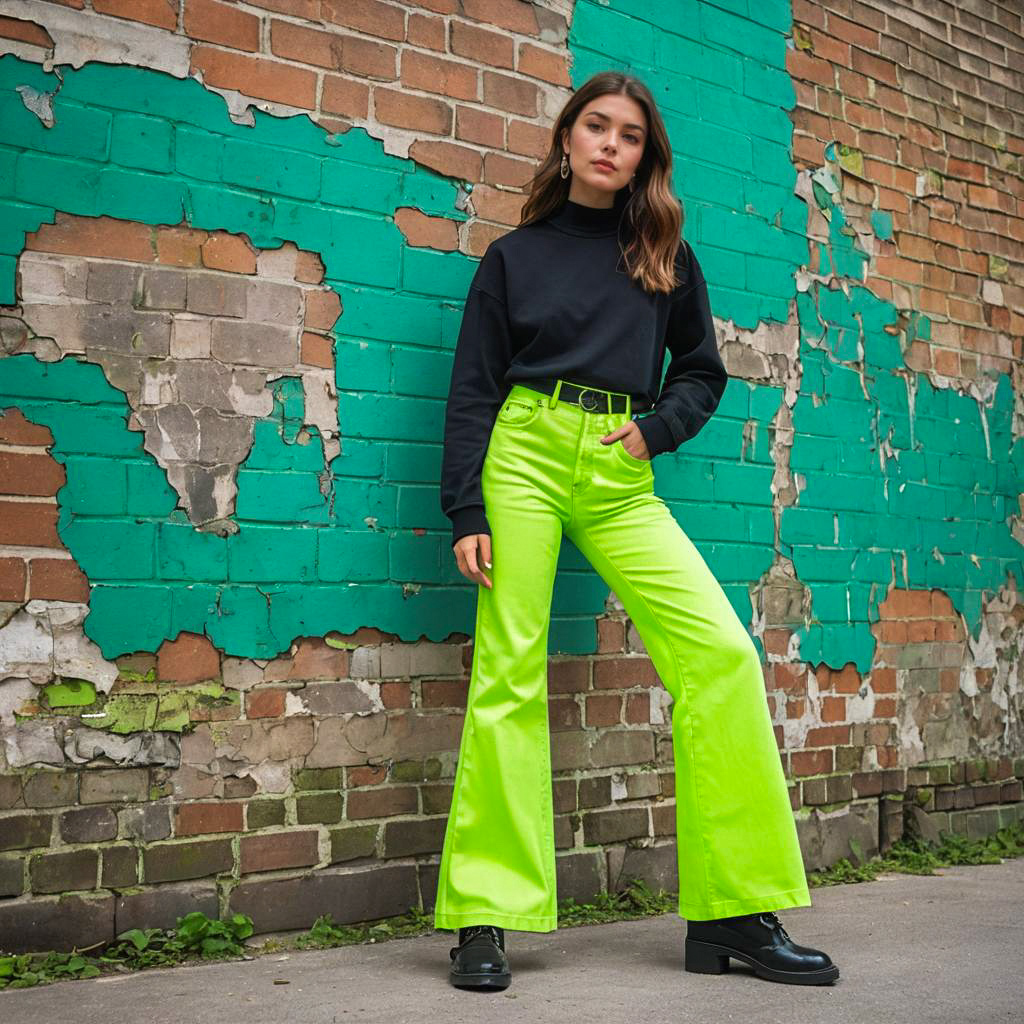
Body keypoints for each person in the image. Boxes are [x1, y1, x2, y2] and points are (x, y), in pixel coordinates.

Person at [435, 70, 839, 991]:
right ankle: (484, 916)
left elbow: (702, 373)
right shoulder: (512, 258)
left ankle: (732, 915)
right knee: (509, 669)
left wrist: (653, 432)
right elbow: (473, 389)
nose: (611, 143)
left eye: (629, 134)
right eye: (595, 126)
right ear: (568, 139)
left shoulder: (665, 256)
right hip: (526, 453)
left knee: (723, 657)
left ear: (644, 155)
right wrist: (466, 506)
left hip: (619, 467)